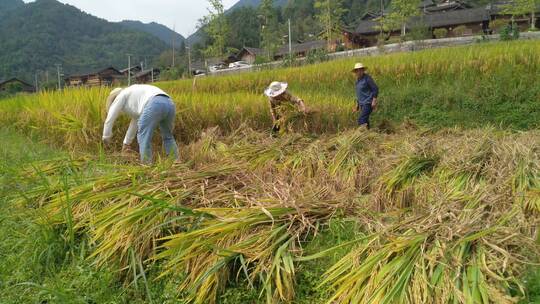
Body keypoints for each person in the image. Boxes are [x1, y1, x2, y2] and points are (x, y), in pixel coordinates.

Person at [102, 84, 179, 164]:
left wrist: (106, 137)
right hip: (169, 103)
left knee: (143, 136)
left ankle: (147, 164)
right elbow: (135, 122)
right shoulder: (134, 93)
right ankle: (175, 161)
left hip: (153, 103)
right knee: (168, 136)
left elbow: (110, 118)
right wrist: (126, 143)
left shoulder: (121, 96)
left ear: (114, 100)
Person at [352, 63, 379, 129]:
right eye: (357, 70)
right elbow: (359, 94)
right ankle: (369, 134)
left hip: (368, 103)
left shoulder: (367, 78)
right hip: (362, 104)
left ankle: (363, 135)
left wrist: (374, 101)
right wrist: (357, 106)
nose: (359, 72)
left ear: (363, 70)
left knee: (361, 120)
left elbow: (375, 89)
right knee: (365, 120)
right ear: (355, 72)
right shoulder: (357, 81)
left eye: (360, 70)